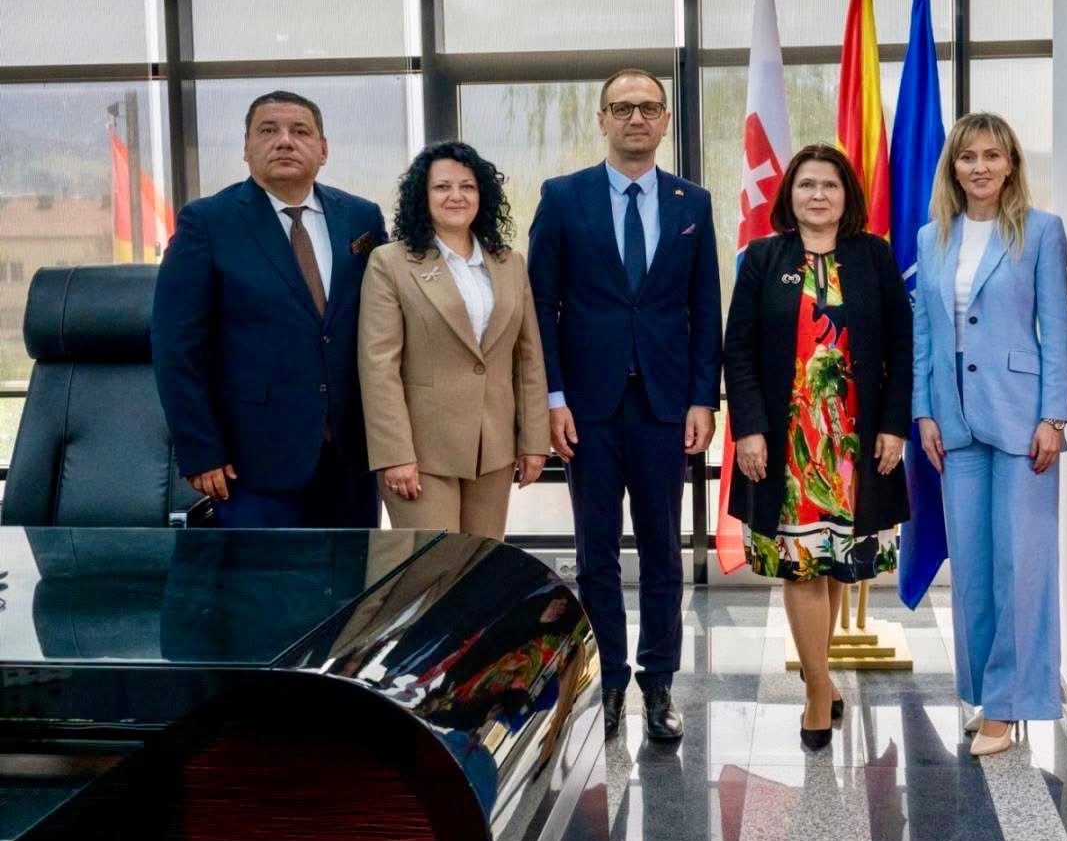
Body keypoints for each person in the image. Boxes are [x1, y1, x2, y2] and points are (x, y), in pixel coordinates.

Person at [527, 68, 722, 742]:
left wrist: (703, 397)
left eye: (648, 107)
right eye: (622, 107)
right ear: (603, 118)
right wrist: (552, 397)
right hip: (588, 407)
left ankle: (658, 682)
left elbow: (705, 308)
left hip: (666, 406)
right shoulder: (563, 197)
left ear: (665, 120)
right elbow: (540, 307)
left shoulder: (693, 202)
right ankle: (608, 679)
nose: (636, 118)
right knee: (596, 552)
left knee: (665, 550)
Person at [723, 143, 911, 751]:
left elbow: (902, 347)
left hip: (855, 441)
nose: (818, 195)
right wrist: (748, 429)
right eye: (807, 184)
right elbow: (738, 350)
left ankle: (819, 675)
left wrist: (895, 425)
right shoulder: (763, 257)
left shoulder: (873, 255)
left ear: (846, 194)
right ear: (790, 194)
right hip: (790, 444)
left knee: (834, 562)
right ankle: (816, 691)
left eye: (830, 184)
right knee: (802, 563)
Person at [911, 113, 1067, 757]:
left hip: (1022, 418)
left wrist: (1054, 416)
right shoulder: (931, 237)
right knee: (973, 569)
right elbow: (926, 333)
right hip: (952, 418)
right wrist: (924, 411)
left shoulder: (1041, 231)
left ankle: (1010, 704)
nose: (979, 167)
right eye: (967, 156)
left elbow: (1057, 328)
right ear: (952, 167)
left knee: (1021, 565)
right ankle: (984, 692)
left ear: (1011, 165)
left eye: (992, 155)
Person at [153, 91, 387, 528]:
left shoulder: (362, 218)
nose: (284, 141)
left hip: (352, 458)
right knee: (262, 576)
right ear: (246, 148)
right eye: (267, 130)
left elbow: (385, 325)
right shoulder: (207, 223)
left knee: (355, 573)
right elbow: (176, 348)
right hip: (251, 462)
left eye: (300, 131)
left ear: (323, 149)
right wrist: (201, 450)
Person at [358, 141, 549, 538]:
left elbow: (528, 358)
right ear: (422, 196)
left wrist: (534, 441)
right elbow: (379, 366)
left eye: (467, 186)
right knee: (434, 568)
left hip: (493, 449)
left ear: (483, 195)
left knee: (481, 565)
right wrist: (395, 453)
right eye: (442, 187)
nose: (456, 196)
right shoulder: (390, 262)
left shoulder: (509, 263)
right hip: (422, 453)